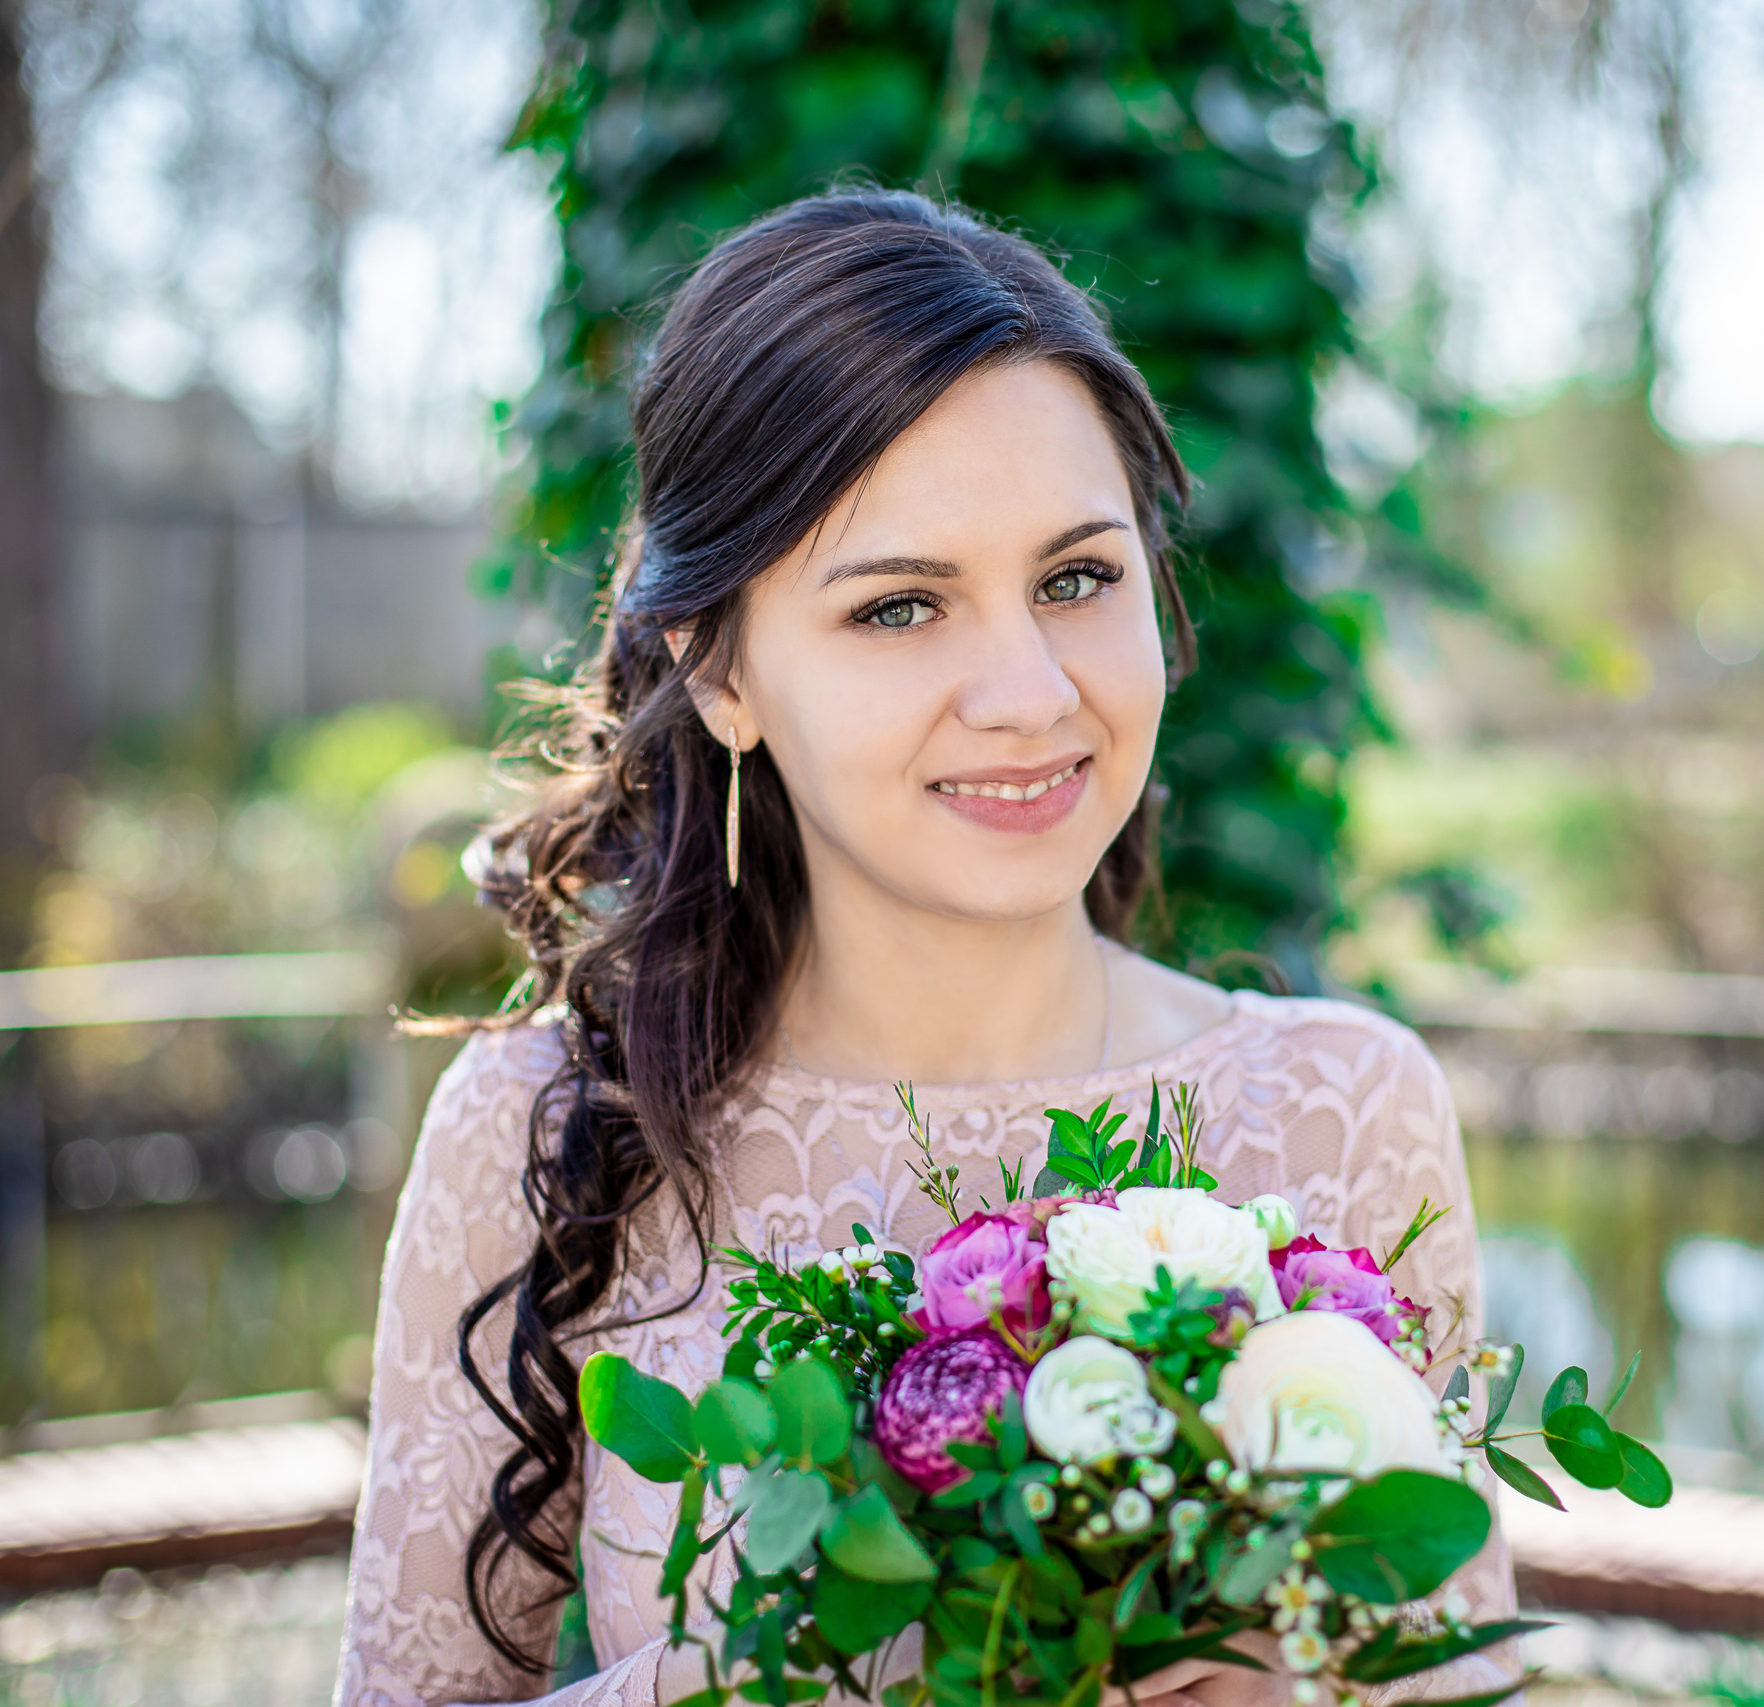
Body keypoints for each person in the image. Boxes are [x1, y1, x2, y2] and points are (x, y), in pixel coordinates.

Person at [334, 188, 1512, 1707]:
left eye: (1077, 579)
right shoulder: (549, 1133)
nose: (1028, 691)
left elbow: (1454, 1678)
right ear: (721, 673)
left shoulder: (1349, 1112)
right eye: (901, 608)